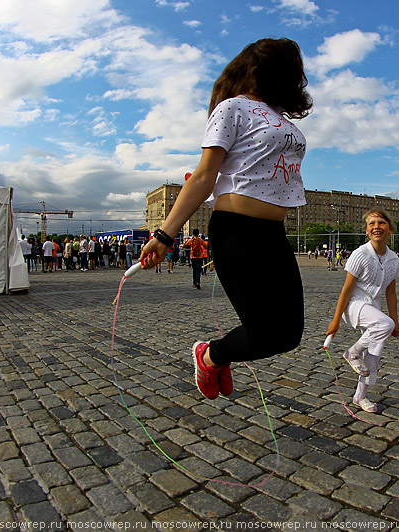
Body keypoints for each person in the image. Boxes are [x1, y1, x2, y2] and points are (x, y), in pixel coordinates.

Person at [139, 37, 311, 400]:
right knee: (265, 331)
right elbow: (203, 177)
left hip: (272, 233)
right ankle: (210, 355)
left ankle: (214, 355)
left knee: (289, 334)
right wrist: (165, 235)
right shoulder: (232, 108)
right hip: (237, 231)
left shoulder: (277, 116)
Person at [326, 209, 399, 413]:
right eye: (372, 224)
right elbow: (347, 289)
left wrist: (396, 322)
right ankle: (352, 353)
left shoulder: (394, 259)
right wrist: (336, 320)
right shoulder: (360, 254)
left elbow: (391, 293)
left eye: (381, 223)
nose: (376, 226)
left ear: (390, 229)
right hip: (354, 306)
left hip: (373, 309)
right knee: (384, 324)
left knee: (373, 356)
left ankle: (360, 396)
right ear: (367, 231)